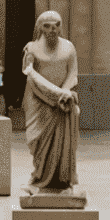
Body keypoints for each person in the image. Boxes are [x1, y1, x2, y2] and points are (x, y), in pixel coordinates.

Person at [21, 10, 80, 199]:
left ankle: (61, 180)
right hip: (38, 101)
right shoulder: (31, 49)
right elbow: (30, 75)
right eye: (47, 26)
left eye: (56, 25)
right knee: (36, 139)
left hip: (63, 102)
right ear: (40, 28)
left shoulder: (69, 48)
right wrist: (54, 95)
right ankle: (39, 176)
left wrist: (64, 93)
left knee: (63, 141)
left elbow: (72, 74)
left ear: (61, 26)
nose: (52, 29)